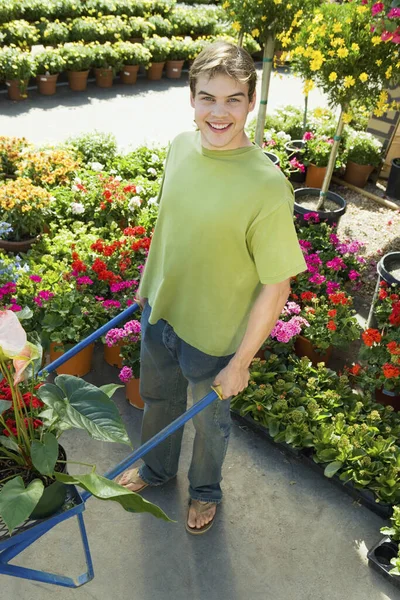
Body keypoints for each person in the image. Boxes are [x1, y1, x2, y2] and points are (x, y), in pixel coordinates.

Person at [117, 41, 306, 534]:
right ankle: (157, 470)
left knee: (209, 425)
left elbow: (277, 283)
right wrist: (146, 285)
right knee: (158, 401)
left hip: (214, 338)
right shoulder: (180, 146)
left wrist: (240, 362)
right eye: (208, 98)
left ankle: (204, 491)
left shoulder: (266, 185)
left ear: (250, 101)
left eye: (233, 99)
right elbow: (168, 226)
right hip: (161, 314)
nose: (218, 113)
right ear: (192, 98)